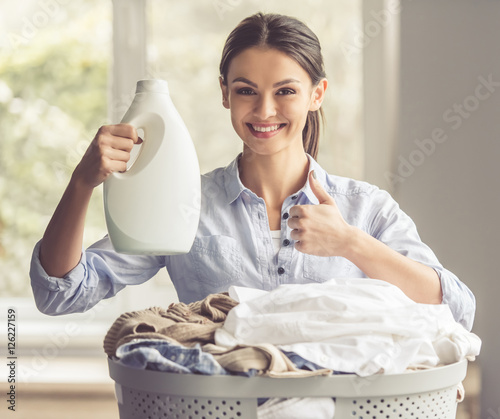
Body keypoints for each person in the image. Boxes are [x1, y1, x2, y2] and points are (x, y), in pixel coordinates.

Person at [30, 12, 475, 330]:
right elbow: (60, 293)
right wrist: (82, 184)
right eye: (246, 90)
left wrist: (350, 243)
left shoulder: (365, 209)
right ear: (225, 93)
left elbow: (455, 308)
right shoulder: (184, 206)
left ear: (317, 94)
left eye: (286, 91)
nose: (265, 110)